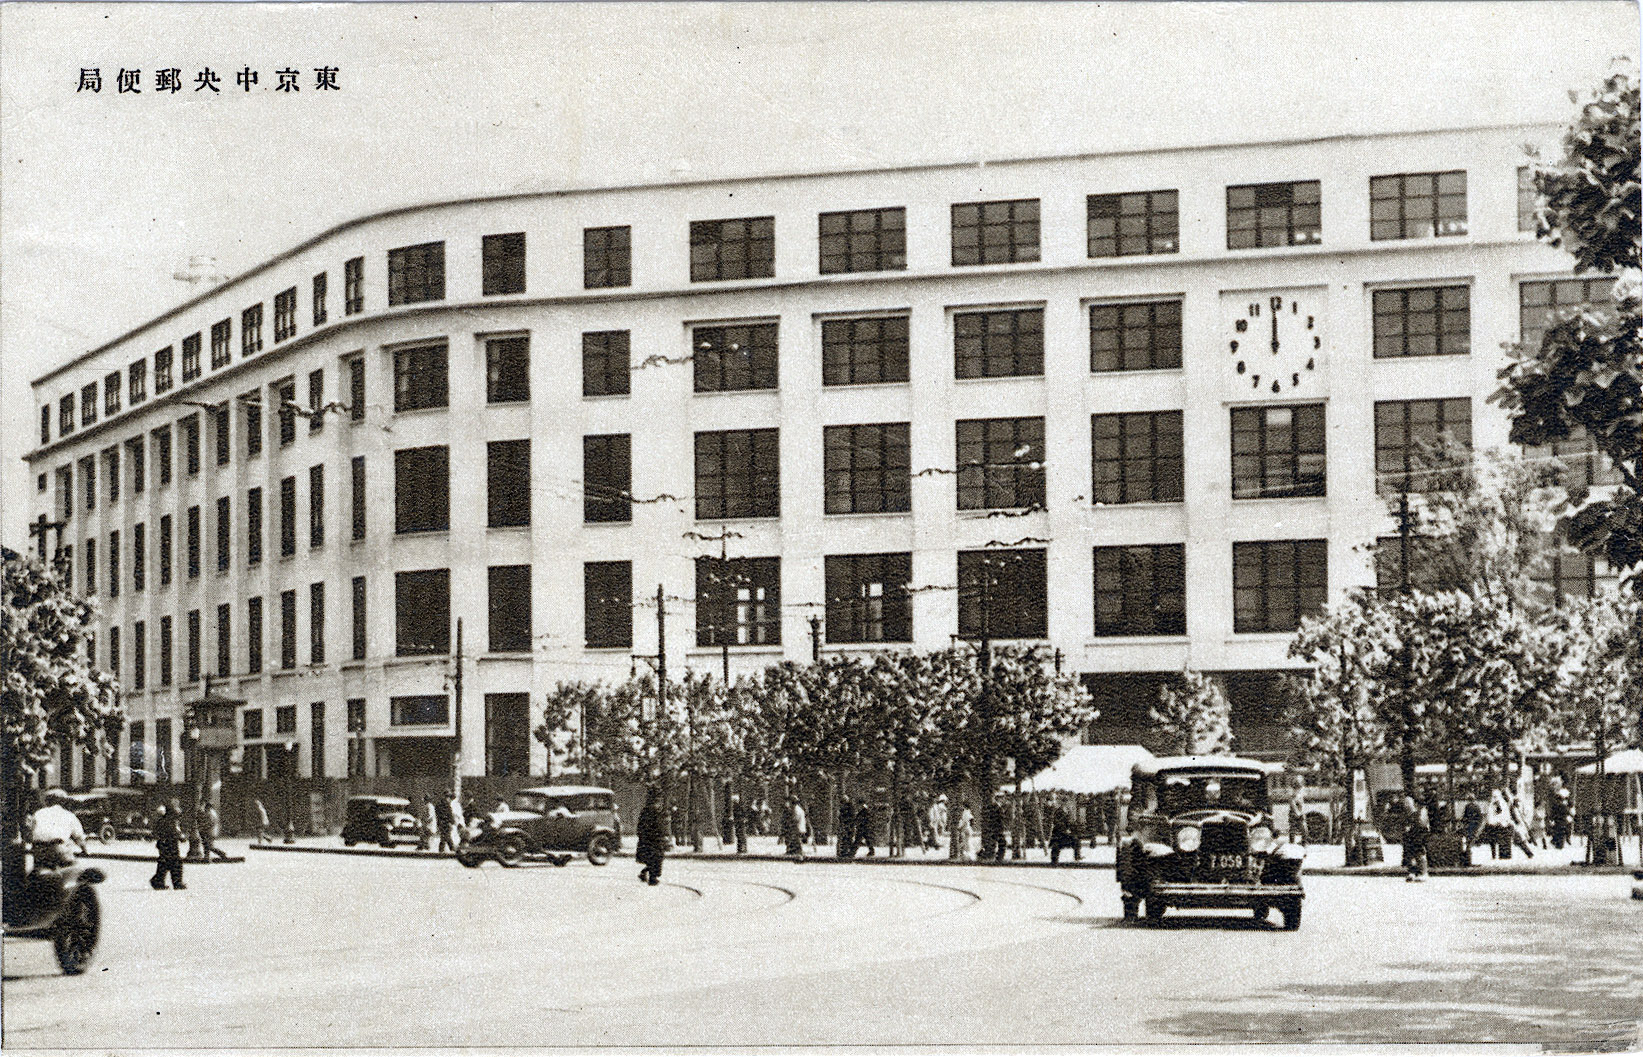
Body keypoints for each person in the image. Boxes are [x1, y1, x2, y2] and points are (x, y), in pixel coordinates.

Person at [27, 796, 87, 869]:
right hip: (57, 848)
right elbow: (79, 838)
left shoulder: (38, 813)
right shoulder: (68, 815)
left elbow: (30, 832)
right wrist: (85, 851)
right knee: (74, 868)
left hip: (38, 849)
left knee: (40, 871)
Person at [151, 801, 186, 890]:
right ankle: (177, 883)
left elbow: (157, 832)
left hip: (163, 844)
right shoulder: (171, 822)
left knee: (164, 863)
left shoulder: (163, 820)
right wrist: (181, 837)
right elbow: (175, 833)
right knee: (176, 863)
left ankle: (158, 881)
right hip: (170, 844)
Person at [635, 787, 665, 885]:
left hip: (647, 839)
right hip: (654, 839)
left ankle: (645, 873)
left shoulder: (645, 810)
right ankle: (652, 878)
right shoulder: (655, 811)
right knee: (656, 859)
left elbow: (640, 826)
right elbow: (658, 826)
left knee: (650, 859)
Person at [1401, 794, 1429, 882]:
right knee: (1410, 855)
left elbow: (1422, 825)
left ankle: (1423, 873)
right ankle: (1412, 872)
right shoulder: (1407, 815)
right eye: (1405, 803)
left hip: (1417, 836)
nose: (1406, 805)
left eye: (1407, 803)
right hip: (1409, 837)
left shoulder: (1417, 813)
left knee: (1419, 854)